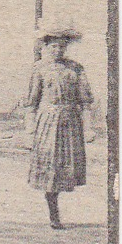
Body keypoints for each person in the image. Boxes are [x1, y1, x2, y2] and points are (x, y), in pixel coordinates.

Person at [24, 24, 98, 230]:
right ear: (46, 47)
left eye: (61, 47)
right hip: (47, 122)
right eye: (54, 47)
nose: (58, 51)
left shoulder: (75, 69)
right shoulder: (39, 69)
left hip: (70, 123)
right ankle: (53, 215)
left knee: (65, 170)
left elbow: (85, 102)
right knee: (50, 169)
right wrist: (29, 129)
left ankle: (57, 211)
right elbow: (31, 102)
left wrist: (88, 128)